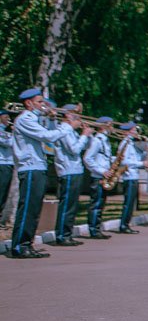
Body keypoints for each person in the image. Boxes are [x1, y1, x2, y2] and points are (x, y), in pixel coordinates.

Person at [8, 89, 72, 258]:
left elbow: (48, 139)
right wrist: (67, 125)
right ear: (29, 103)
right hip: (30, 168)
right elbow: (48, 137)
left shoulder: (33, 119)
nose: (44, 105)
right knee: (28, 208)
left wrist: (52, 120)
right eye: (40, 102)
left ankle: (26, 244)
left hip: (37, 167)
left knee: (34, 209)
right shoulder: (25, 119)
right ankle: (20, 246)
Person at [53, 104, 94, 246]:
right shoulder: (64, 129)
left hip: (75, 170)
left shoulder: (72, 131)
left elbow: (86, 147)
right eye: (76, 114)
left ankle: (67, 234)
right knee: (67, 205)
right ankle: (62, 235)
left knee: (72, 205)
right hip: (68, 170)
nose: (79, 117)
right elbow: (74, 149)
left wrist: (87, 134)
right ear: (68, 115)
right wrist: (84, 135)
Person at [83, 116, 115, 239]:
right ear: (103, 126)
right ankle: (93, 230)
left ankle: (97, 228)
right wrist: (102, 171)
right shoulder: (97, 140)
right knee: (96, 204)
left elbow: (104, 157)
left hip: (103, 177)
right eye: (110, 124)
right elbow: (87, 158)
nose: (112, 128)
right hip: (98, 177)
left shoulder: (105, 140)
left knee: (100, 203)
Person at [115, 122, 147, 234]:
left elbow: (136, 158)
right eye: (135, 130)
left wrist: (146, 151)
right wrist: (142, 163)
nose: (137, 132)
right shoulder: (125, 144)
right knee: (128, 203)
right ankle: (123, 225)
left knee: (130, 203)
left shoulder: (131, 144)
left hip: (133, 176)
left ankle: (126, 224)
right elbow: (124, 161)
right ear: (128, 131)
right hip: (129, 176)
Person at [0, 111, 15, 233]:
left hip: (8, 164)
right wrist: (16, 133)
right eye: (5, 117)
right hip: (2, 163)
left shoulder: (7, 131)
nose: (8, 119)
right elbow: (7, 143)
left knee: (4, 193)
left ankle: (1, 220)